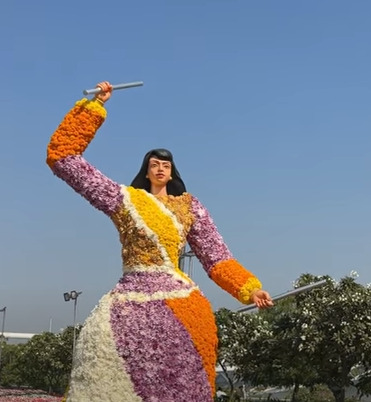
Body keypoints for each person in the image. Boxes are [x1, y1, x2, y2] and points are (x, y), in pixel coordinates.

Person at [46, 81, 274, 401]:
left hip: (184, 307)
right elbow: (62, 156)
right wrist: (97, 105)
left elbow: (217, 257)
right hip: (128, 308)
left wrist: (250, 289)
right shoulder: (125, 199)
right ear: (146, 170)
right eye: (154, 164)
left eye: (166, 165)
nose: (160, 168)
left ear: (172, 171)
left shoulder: (190, 206)